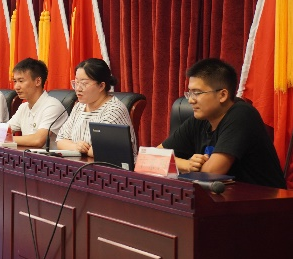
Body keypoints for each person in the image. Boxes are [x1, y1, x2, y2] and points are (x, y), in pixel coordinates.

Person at [159, 58, 286, 188]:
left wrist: (184, 165)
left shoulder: (242, 114)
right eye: (189, 93)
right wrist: (187, 164)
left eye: (197, 93)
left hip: (263, 198)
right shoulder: (199, 119)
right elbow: (152, 157)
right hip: (221, 197)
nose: (191, 100)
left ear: (222, 95)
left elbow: (212, 173)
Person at [56, 58, 137, 157]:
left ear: (101, 86)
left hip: (109, 166)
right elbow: (60, 140)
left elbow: (103, 151)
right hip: (82, 163)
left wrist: (81, 149)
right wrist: (76, 147)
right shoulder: (79, 106)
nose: (78, 89)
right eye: (76, 83)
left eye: (84, 83)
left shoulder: (114, 110)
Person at [2, 58, 68, 148]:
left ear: (38, 81)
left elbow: (38, 140)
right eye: (15, 81)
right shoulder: (23, 107)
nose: (16, 87)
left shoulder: (52, 106)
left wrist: (5, 138)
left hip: (48, 156)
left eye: (21, 81)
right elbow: (2, 131)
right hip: (27, 155)